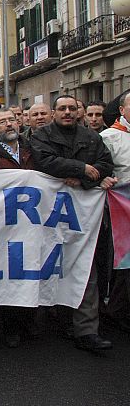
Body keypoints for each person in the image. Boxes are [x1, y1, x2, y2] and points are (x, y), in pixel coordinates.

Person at [31, 95, 116, 353]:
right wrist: (81, 168)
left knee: (84, 270)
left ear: (77, 112)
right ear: (54, 112)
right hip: (49, 217)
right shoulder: (41, 136)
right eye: (62, 109)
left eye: (71, 108)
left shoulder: (91, 137)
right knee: (50, 268)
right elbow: (45, 162)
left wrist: (83, 179)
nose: (67, 112)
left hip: (82, 217)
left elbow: (105, 165)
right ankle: (55, 320)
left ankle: (87, 331)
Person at [0, 107, 36, 348]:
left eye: (12, 120)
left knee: (32, 271)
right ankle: (11, 325)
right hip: (5, 224)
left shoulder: (33, 149)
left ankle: (30, 322)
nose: (9, 125)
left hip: (31, 221)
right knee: (10, 274)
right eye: (2, 122)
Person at [101, 92, 130, 332]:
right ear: (122, 109)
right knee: (122, 262)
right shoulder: (108, 137)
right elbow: (102, 171)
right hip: (120, 211)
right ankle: (117, 310)